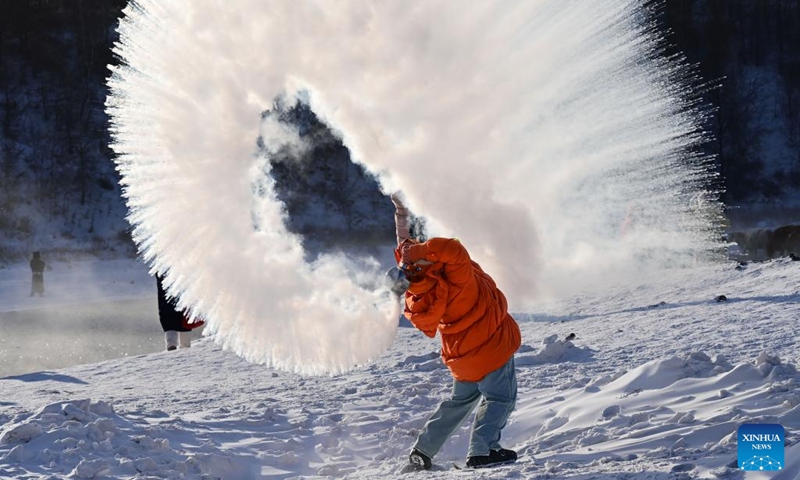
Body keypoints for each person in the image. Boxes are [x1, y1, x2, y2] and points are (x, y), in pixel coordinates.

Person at [390, 194, 522, 471]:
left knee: (459, 403)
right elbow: (451, 248)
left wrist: (402, 214)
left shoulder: (418, 293)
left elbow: (406, 251)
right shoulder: (458, 279)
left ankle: (423, 450)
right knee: (500, 398)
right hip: (491, 349)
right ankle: (483, 452)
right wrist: (423, 250)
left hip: (461, 357)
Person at [156, 274, 204, 351]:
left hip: (167, 291)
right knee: (184, 317)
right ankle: (185, 346)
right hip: (183, 287)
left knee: (169, 318)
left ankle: (171, 345)